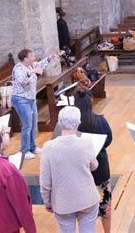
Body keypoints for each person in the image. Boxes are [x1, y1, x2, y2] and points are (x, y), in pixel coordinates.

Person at [40, 106, 100, 232]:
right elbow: (94, 166)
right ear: (78, 123)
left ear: (59, 123)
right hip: (87, 198)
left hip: (63, 202)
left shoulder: (48, 147)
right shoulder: (87, 143)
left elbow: (45, 183)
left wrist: (47, 202)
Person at [73, 88, 114, 233]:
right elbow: (108, 139)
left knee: (83, 209)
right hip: (101, 168)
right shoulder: (100, 120)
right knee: (105, 205)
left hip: (79, 169)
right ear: (90, 101)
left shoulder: (72, 125)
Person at [12, 48, 57, 159]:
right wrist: (32, 72)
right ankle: (24, 151)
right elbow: (21, 81)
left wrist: (50, 58)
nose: (34, 58)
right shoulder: (18, 68)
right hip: (21, 99)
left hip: (31, 99)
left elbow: (40, 64)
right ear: (25, 59)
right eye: (32, 56)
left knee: (33, 123)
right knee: (27, 125)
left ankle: (32, 147)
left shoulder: (31, 65)